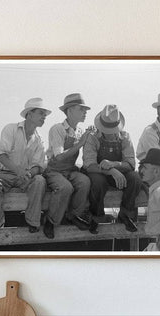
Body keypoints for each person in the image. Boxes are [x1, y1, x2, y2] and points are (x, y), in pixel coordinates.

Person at [0, 97, 48, 234]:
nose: (44, 117)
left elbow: (39, 166)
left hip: (25, 177)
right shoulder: (10, 128)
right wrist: (19, 171)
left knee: (40, 180)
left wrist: (30, 173)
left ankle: (33, 222)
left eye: (45, 114)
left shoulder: (40, 139)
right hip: (5, 174)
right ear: (29, 114)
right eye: (41, 113)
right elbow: (1, 155)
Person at [83, 104, 142, 232]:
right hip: (99, 173)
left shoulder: (125, 137)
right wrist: (110, 171)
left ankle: (125, 214)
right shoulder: (92, 137)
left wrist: (114, 164)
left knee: (135, 178)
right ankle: (96, 216)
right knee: (98, 182)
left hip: (119, 174)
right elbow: (89, 165)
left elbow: (131, 164)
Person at [45, 93, 96, 238]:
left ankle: (73, 216)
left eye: (85, 110)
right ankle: (50, 221)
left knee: (84, 182)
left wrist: (92, 133)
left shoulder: (80, 131)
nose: (85, 112)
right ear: (69, 111)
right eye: (81, 109)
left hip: (69, 170)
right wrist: (81, 143)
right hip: (54, 170)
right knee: (65, 187)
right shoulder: (57, 129)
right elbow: (59, 156)